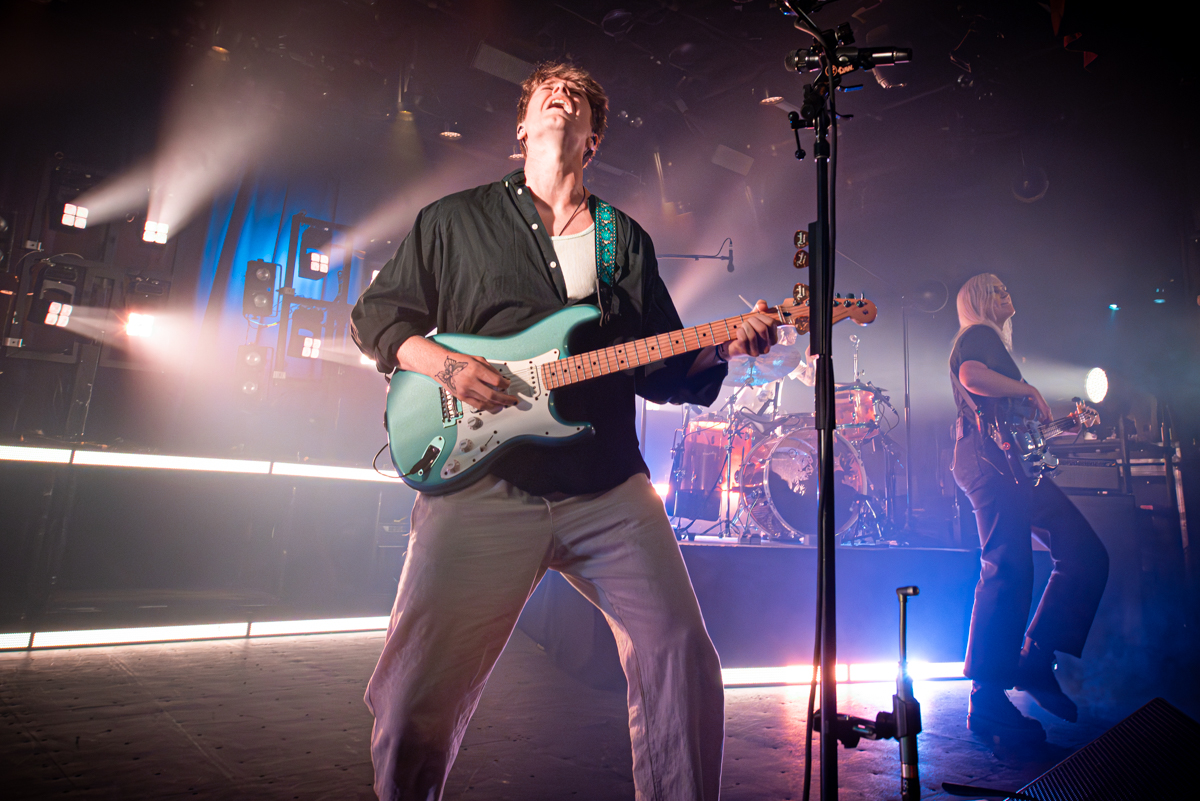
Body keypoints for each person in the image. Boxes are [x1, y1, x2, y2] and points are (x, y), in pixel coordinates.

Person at [351, 61, 776, 801]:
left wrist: (724, 348)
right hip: (483, 482)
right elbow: (377, 320)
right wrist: (449, 367)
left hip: (606, 486)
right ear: (521, 127)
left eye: (577, 95)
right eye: (547, 91)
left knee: (681, 655)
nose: (561, 95)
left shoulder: (623, 239)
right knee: (414, 692)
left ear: (594, 138)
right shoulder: (454, 220)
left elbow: (660, 365)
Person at [949, 273, 1109, 745]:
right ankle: (987, 699)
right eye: (996, 289)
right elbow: (969, 376)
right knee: (1008, 567)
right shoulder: (979, 335)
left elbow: (1013, 430)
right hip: (988, 464)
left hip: (1012, 467)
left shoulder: (996, 346)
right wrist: (1028, 390)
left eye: (1005, 287)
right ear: (980, 301)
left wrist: (1056, 429)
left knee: (1083, 553)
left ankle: (1035, 660)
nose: (1006, 293)